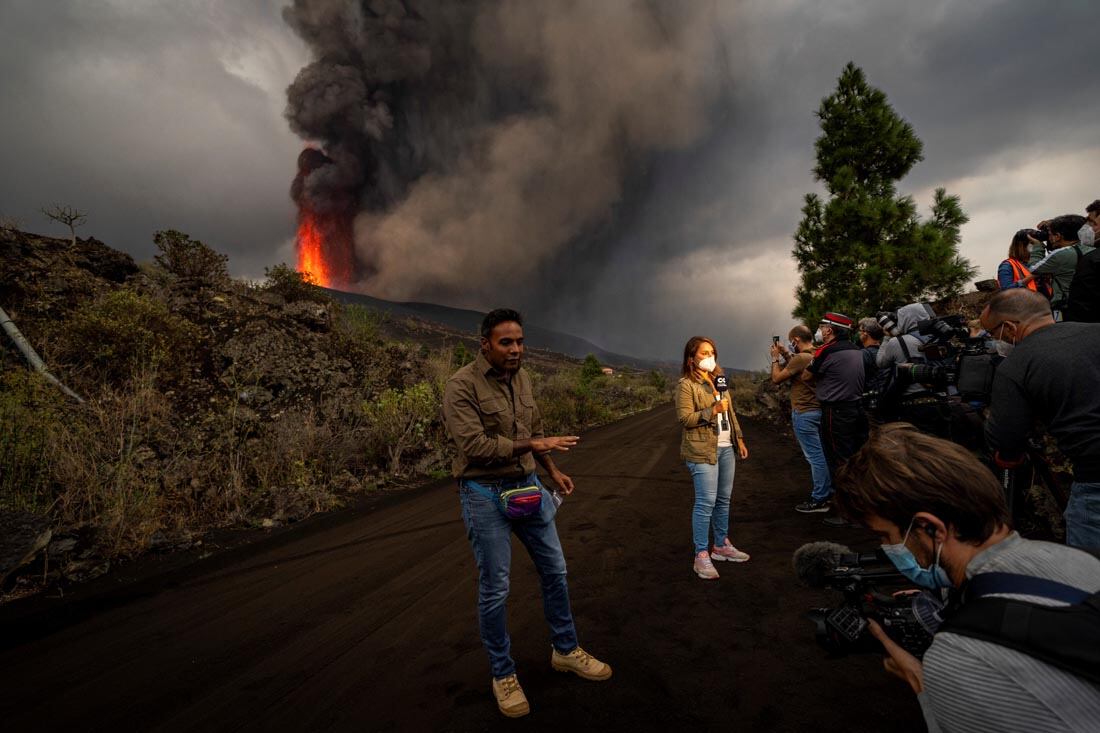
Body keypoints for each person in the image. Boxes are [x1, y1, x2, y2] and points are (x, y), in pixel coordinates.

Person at [834, 424, 1100, 733]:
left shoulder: (959, 660)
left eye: (885, 535)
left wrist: (925, 684)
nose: (886, 547)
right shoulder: (1086, 558)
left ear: (930, 528)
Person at [442, 308, 611, 718]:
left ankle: (566, 650)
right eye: (506, 342)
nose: (516, 349)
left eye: (520, 341)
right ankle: (503, 674)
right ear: (485, 344)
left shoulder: (523, 379)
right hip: (483, 493)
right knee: (496, 587)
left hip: (527, 487)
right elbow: (476, 447)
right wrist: (536, 447)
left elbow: (533, 434)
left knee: (555, 569)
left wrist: (553, 471)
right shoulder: (460, 385)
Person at [980, 289, 1100, 550]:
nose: (993, 340)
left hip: (1094, 476)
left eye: (992, 333)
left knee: (1089, 574)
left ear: (1010, 327)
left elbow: (1006, 439)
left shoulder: (1016, 365)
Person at [676, 336, 750, 580]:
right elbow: (685, 419)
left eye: (712, 352)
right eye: (704, 353)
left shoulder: (719, 380)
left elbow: (730, 410)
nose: (710, 357)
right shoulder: (686, 385)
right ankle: (701, 555)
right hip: (701, 449)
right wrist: (711, 411)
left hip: (726, 446)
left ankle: (720, 545)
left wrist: (738, 438)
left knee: (723, 499)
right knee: (705, 502)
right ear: (691, 358)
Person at [802, 312, 868, 489]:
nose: (819, 330)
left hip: (835, 412)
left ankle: (845, 507)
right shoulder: (855, 349)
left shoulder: (826, 351)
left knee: (837, 458)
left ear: (829, 330)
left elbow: (806, 376)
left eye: (822, 327)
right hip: (856, 408)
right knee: (855, 454)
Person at [770, 326, 833, 513]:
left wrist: (775, 358)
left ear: (796, 340)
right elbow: (800, 371)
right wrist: (787, 354)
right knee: (822, 455)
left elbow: (776, 379)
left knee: (815, 457)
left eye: (792, 341)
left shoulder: (801, 358)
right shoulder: (816, 354)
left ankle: (820, 498)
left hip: (804, 412)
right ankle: (828, 493)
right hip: (819, 411)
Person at [876, 302, 951, 438]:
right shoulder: (941, 336)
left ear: (905, 319)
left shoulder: (898, 342)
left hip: (912, 404)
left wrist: (887, 336)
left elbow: (881, 363)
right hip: (943, 400)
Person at [1024, 214, 1093, 319]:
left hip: (1067, 308)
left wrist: (1038, 247)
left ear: (1058, 236)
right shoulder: (1091, 249)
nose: (1049, 237)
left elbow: (1034, 268)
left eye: (1051, 234)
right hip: (1090, 305)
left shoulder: (1061, 254)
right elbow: (1078, 222)